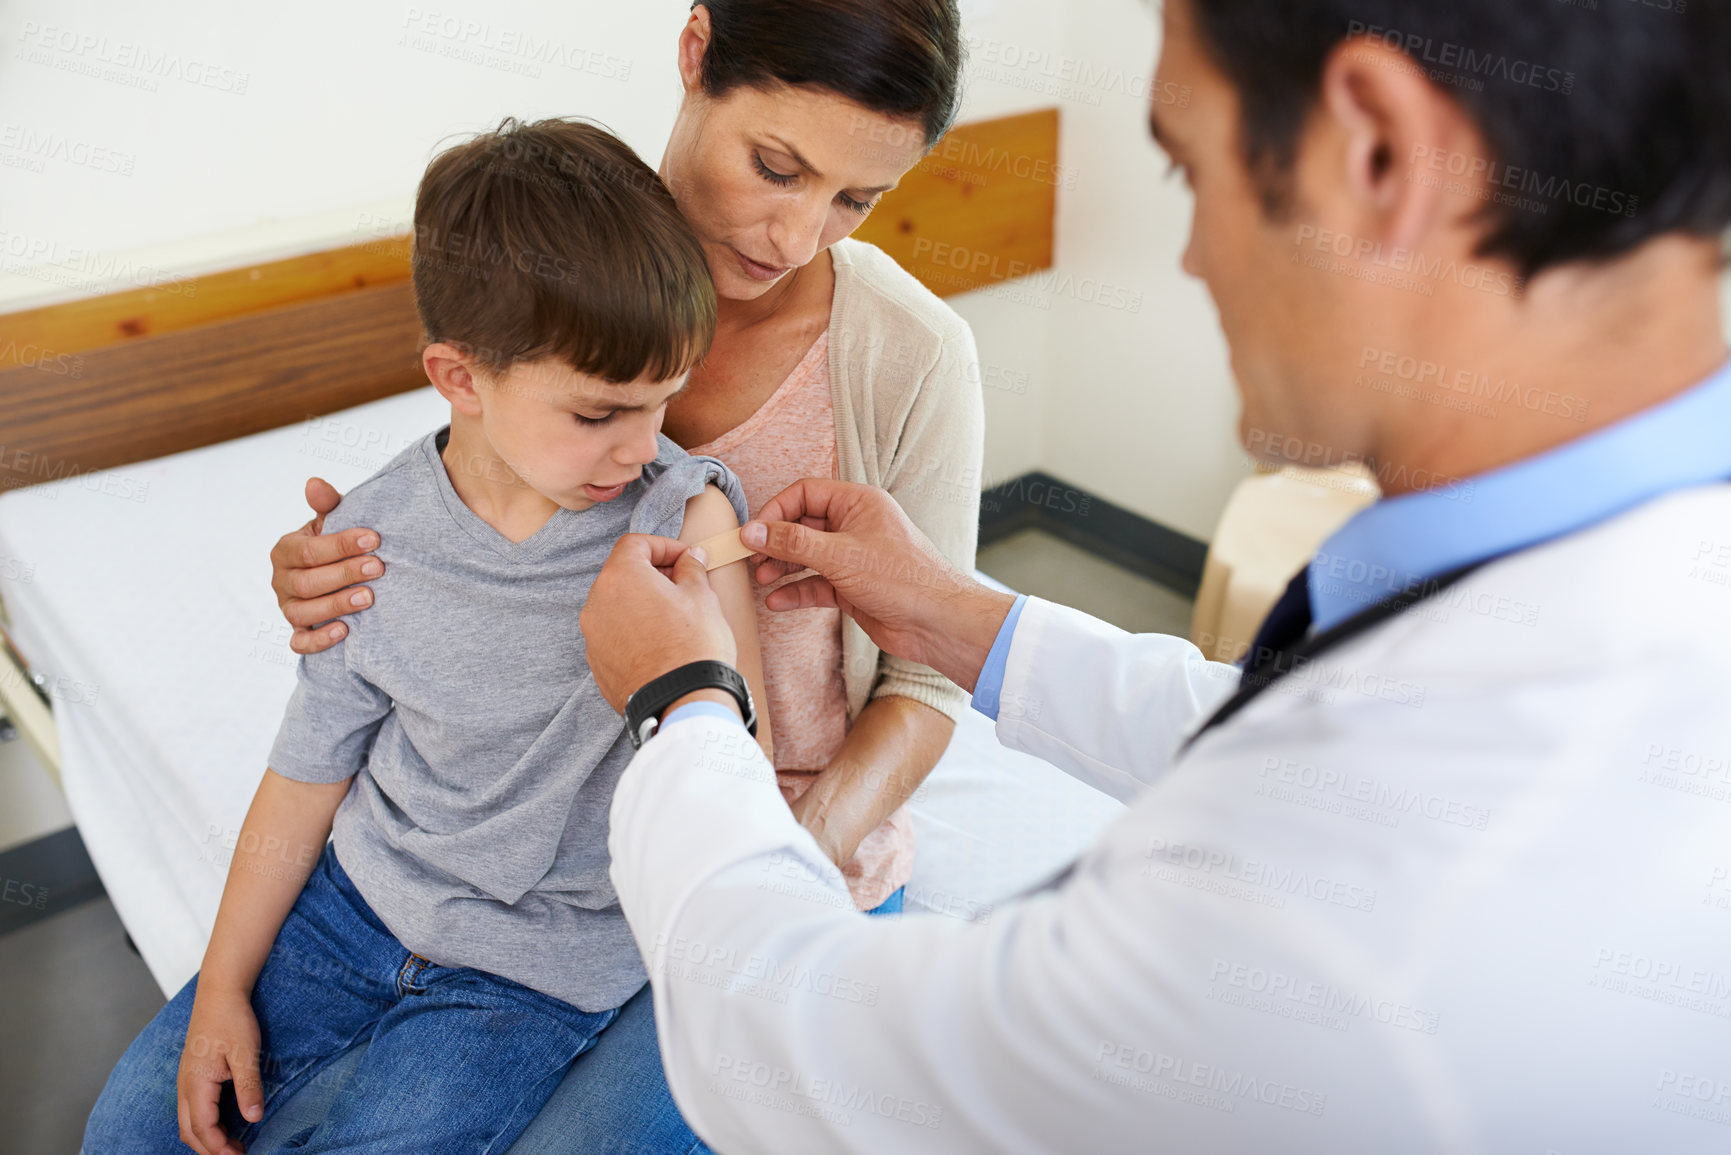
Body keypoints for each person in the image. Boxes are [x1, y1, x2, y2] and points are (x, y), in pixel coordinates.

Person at [577, 0, 1731, 1150]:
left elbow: (799, 1052)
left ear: (1376, 152)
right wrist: (957, 616)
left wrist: (685, 709)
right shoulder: (1608, 585)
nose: (1190, 257)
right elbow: (1276, 729)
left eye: (1192, 178)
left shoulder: (1359, 929)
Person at [264, 4, 974, 1146]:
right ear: (697, 54)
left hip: (772, 840)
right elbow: (475, 508)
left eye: (854, 200)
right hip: (537, 853)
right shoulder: (555, 257)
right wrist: (327, 571)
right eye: (777, 167)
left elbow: (930, 683)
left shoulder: (912, 354)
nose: (798, 235)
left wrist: (775, 862)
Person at [85, 118, 767, 1155]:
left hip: (535, 968)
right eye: (598, 414)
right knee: (130, 1131)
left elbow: (736, 759)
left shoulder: (682, 521)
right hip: (351, 911)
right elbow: (307, 771)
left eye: (665, 401)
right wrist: (223, 984)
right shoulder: (368, 538)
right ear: (459, 379)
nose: (642, 449)